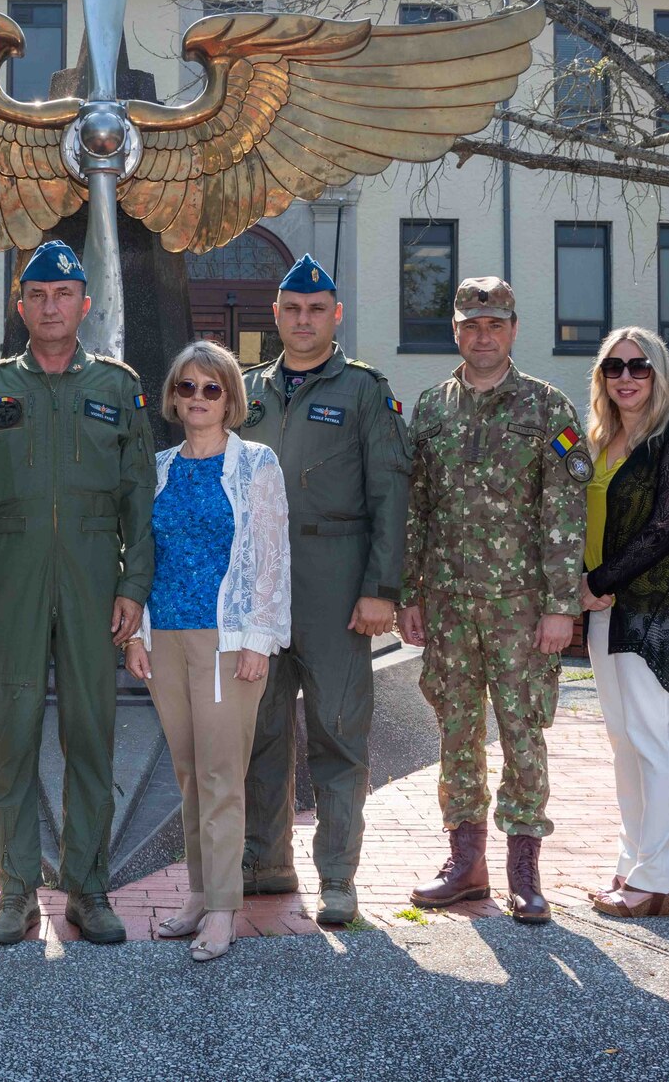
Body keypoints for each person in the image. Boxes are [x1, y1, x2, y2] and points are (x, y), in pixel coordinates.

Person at [0, 242, 156, 945]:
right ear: (21, 304)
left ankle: (89, 889)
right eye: (38, 294)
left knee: (91, 735)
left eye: (64, 294)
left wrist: (133, 586)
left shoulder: (119, 389)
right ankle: (16, 893)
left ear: (84, 305)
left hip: (95, 582)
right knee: (12, 737)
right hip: (10, 580)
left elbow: (139, 504)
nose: (51, 305)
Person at [401, 277, 586, 924]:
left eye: (495, 323)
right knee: (456, 733)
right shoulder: (430, 410)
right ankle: (465, 861)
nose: (483, 334)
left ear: (513, 329)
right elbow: (415, 510)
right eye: (471, 323)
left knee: (522, 734)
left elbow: (565, 510)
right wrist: (410, 594)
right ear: (455, 330)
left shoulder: (548, 409)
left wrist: (563, 604)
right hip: (449, 609)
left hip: (522, 611)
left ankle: (524, 867)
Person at [238, 253, 410, 927]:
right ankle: (265, 859)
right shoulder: (246, 388)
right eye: (292, 308)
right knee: (262, 729)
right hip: (259, 583)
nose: (303, 319)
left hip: (336, 581)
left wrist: (382, 587)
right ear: (276, 315)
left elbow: (390, 492)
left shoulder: (365, 390)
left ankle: (338, 877)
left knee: (339, 731)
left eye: (316, 309)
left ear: (336, 316)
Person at [125, 340, 291, 962]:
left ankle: (223, 909)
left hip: (230, 639)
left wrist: (259, 639)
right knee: (190, 774)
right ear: (173, 396)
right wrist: (138, 634)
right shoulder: (160, 466)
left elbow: (272, 557)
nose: (198, 398)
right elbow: (143, 555)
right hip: (166, 636)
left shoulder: (256, 465)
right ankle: (199, 893)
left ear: (230, 398)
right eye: (187, 388)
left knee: (223, 775)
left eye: (211, 388)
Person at [577, 327, 669, 920]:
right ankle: (632, 864)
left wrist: (596, 582)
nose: (625, 377)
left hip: (657, 606)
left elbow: (666, 527)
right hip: (606, 608)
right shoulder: (600, 439)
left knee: (653, 740)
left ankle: (657, 880)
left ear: (658, 373)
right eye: (613, 367)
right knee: (623, 742)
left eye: (638, 367)